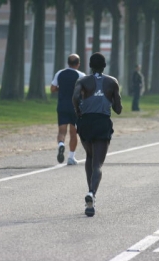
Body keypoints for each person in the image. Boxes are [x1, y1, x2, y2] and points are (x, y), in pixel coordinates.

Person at [72, 52, 122, 217]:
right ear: (104, 66)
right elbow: (118, 108)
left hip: (85, 122)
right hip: (102, 122)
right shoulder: (112, 82)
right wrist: (110, 100)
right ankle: (92, 193)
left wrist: (79, 111)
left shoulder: (83, 81)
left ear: (90, 66)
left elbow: (75, 96)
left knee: (89, 156)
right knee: (98, 164)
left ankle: (90, 198)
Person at [51, 54, 86, 165]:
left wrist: (61, 89)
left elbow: (52, 88)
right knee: (73, 133)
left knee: (62, 131)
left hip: (62, 106)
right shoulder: (81, 75)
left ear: (68, 63)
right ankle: (71, 157)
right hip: (75, 107)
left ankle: (61, 144)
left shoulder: (60, 73)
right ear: (78, 64)